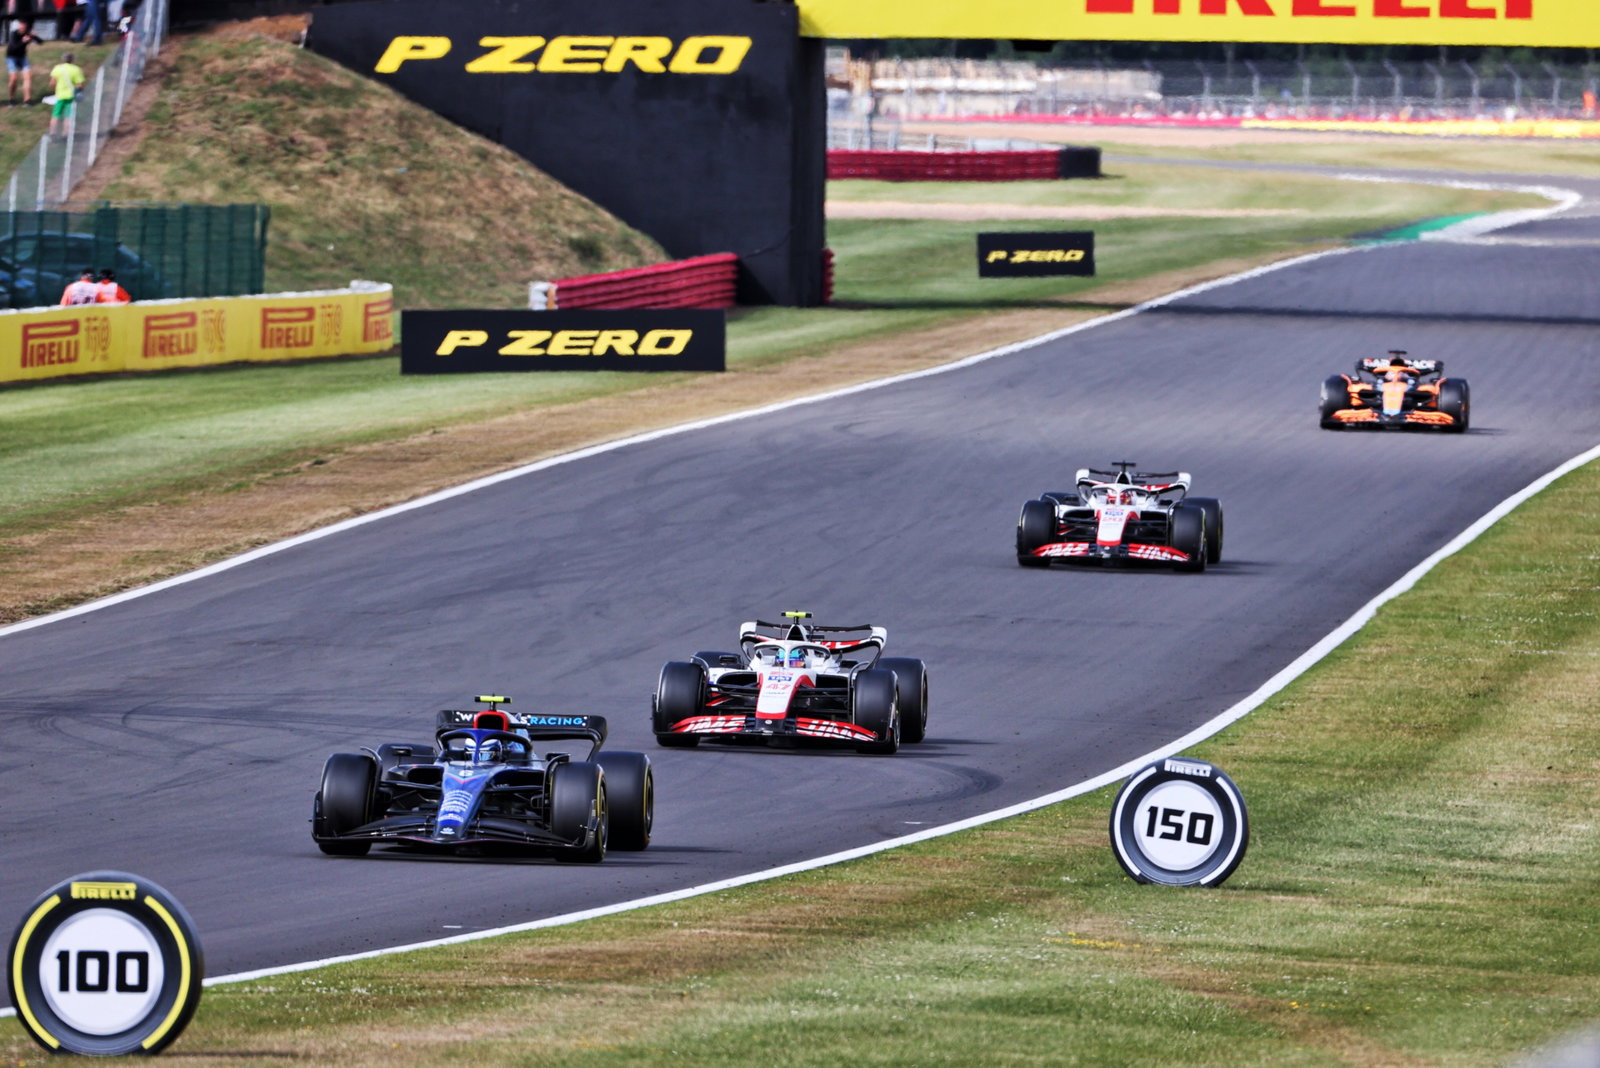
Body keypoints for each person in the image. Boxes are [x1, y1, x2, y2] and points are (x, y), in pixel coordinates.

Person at [47, 49, 83, 137]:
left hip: (60, 96)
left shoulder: (57, 68)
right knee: (68, 116)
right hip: (71, 96)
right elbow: (80, 85)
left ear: (63, 59)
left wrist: (56, 89)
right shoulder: (76, 69)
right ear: (72, 59)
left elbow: (52, 83)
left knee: (55, 115)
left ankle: (52, 132)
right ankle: (65, 133)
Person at [5, 18, 39, 105]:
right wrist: (24, 41)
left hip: (22, 57)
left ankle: (27, 100)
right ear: (18, 26)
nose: (23, 27)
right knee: (14, 78)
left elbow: (40, 42)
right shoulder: (13, 34)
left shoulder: (27, 33)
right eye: (21, 25)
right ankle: (11, 99)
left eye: (24, 25)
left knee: (28, 77)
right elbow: (14, 47)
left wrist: (33, 36)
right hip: (11, 57)